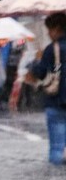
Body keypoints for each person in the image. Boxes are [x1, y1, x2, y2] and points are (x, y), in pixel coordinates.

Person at [25, 12, 66, 165]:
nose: (48, 33)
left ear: (56, 29)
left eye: (49, 29)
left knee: (57, 148)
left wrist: (38, 58)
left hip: (57, 102)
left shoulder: (52, 49)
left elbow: (38, 73)